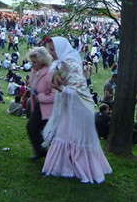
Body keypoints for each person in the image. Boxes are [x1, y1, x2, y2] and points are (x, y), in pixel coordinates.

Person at [42, 37, 112, 183]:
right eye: (49, 49)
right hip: (72, 105)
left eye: (53, 49)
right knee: (66, 134)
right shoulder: (63, 63)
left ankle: (75, 168)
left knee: (74, 137)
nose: (51, 53)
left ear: (61, 49)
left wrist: (58, 87)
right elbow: (56, 82)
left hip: (80, 106)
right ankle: (68, 167)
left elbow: (76, 89)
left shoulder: (69, 63)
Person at [25, 47, 55, 162]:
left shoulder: (50, 73)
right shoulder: (35, 71)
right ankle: (41, 151)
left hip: (49, 109)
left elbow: (55, 95)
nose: (33, 64)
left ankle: (54, 158)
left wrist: (40, 97)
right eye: (32, 61)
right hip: (38, 106)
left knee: (50, 134)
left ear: (42, 61)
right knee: (31, 127)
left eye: (35, 62)